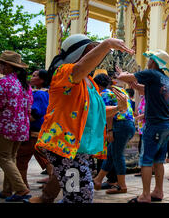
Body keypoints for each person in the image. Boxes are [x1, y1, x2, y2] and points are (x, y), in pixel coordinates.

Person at [35, 34, 133, 203]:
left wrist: (118, 108)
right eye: (90, 50)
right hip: (64, 148)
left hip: (79, 149)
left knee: (76, 195)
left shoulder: (89, 82)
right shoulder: (64, 72)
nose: (96, 53)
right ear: (78, 53)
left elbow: (98, 111)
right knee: (80, 195)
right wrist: (106, 44)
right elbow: (79, 68)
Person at [115, 49, 169, 203]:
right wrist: (134, 85)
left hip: (154, 124)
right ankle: (158, 192)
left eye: (149, 59)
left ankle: (145, 195)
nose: (147, 62)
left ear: (153, 62)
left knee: (146, 160)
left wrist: (121, 74)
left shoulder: (151, 73)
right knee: (158, 160)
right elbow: (147, 90)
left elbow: (124, 77)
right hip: (166, 125)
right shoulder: (165, 78)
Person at [0, 51, 33, 202]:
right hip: (22, 125)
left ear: (8, 67)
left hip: (6, 125)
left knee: (3, 157)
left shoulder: (4, 83)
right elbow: (29, 106)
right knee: (11, 157)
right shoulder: (25, 85)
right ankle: (7, 190)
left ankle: (21, 189)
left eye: (1, 64)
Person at [93, 73, 136, 194]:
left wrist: (110, 130)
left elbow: (109, 113)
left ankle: (122, 186)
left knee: (117, 155)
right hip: (129, 125)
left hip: (119, 125)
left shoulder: (105, 93)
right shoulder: (120, 89)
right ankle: (98, 179)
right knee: (111, 154)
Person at [16, 70, 50, 189]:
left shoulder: (40, 94)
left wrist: (20, 121)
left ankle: (22, 188)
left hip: (34, 132)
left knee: (21, 160)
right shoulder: (45, 92)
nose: (32, 77)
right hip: (41, 131)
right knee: (45, 159)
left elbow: (36, 114)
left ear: (42, 80)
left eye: (35, 75)